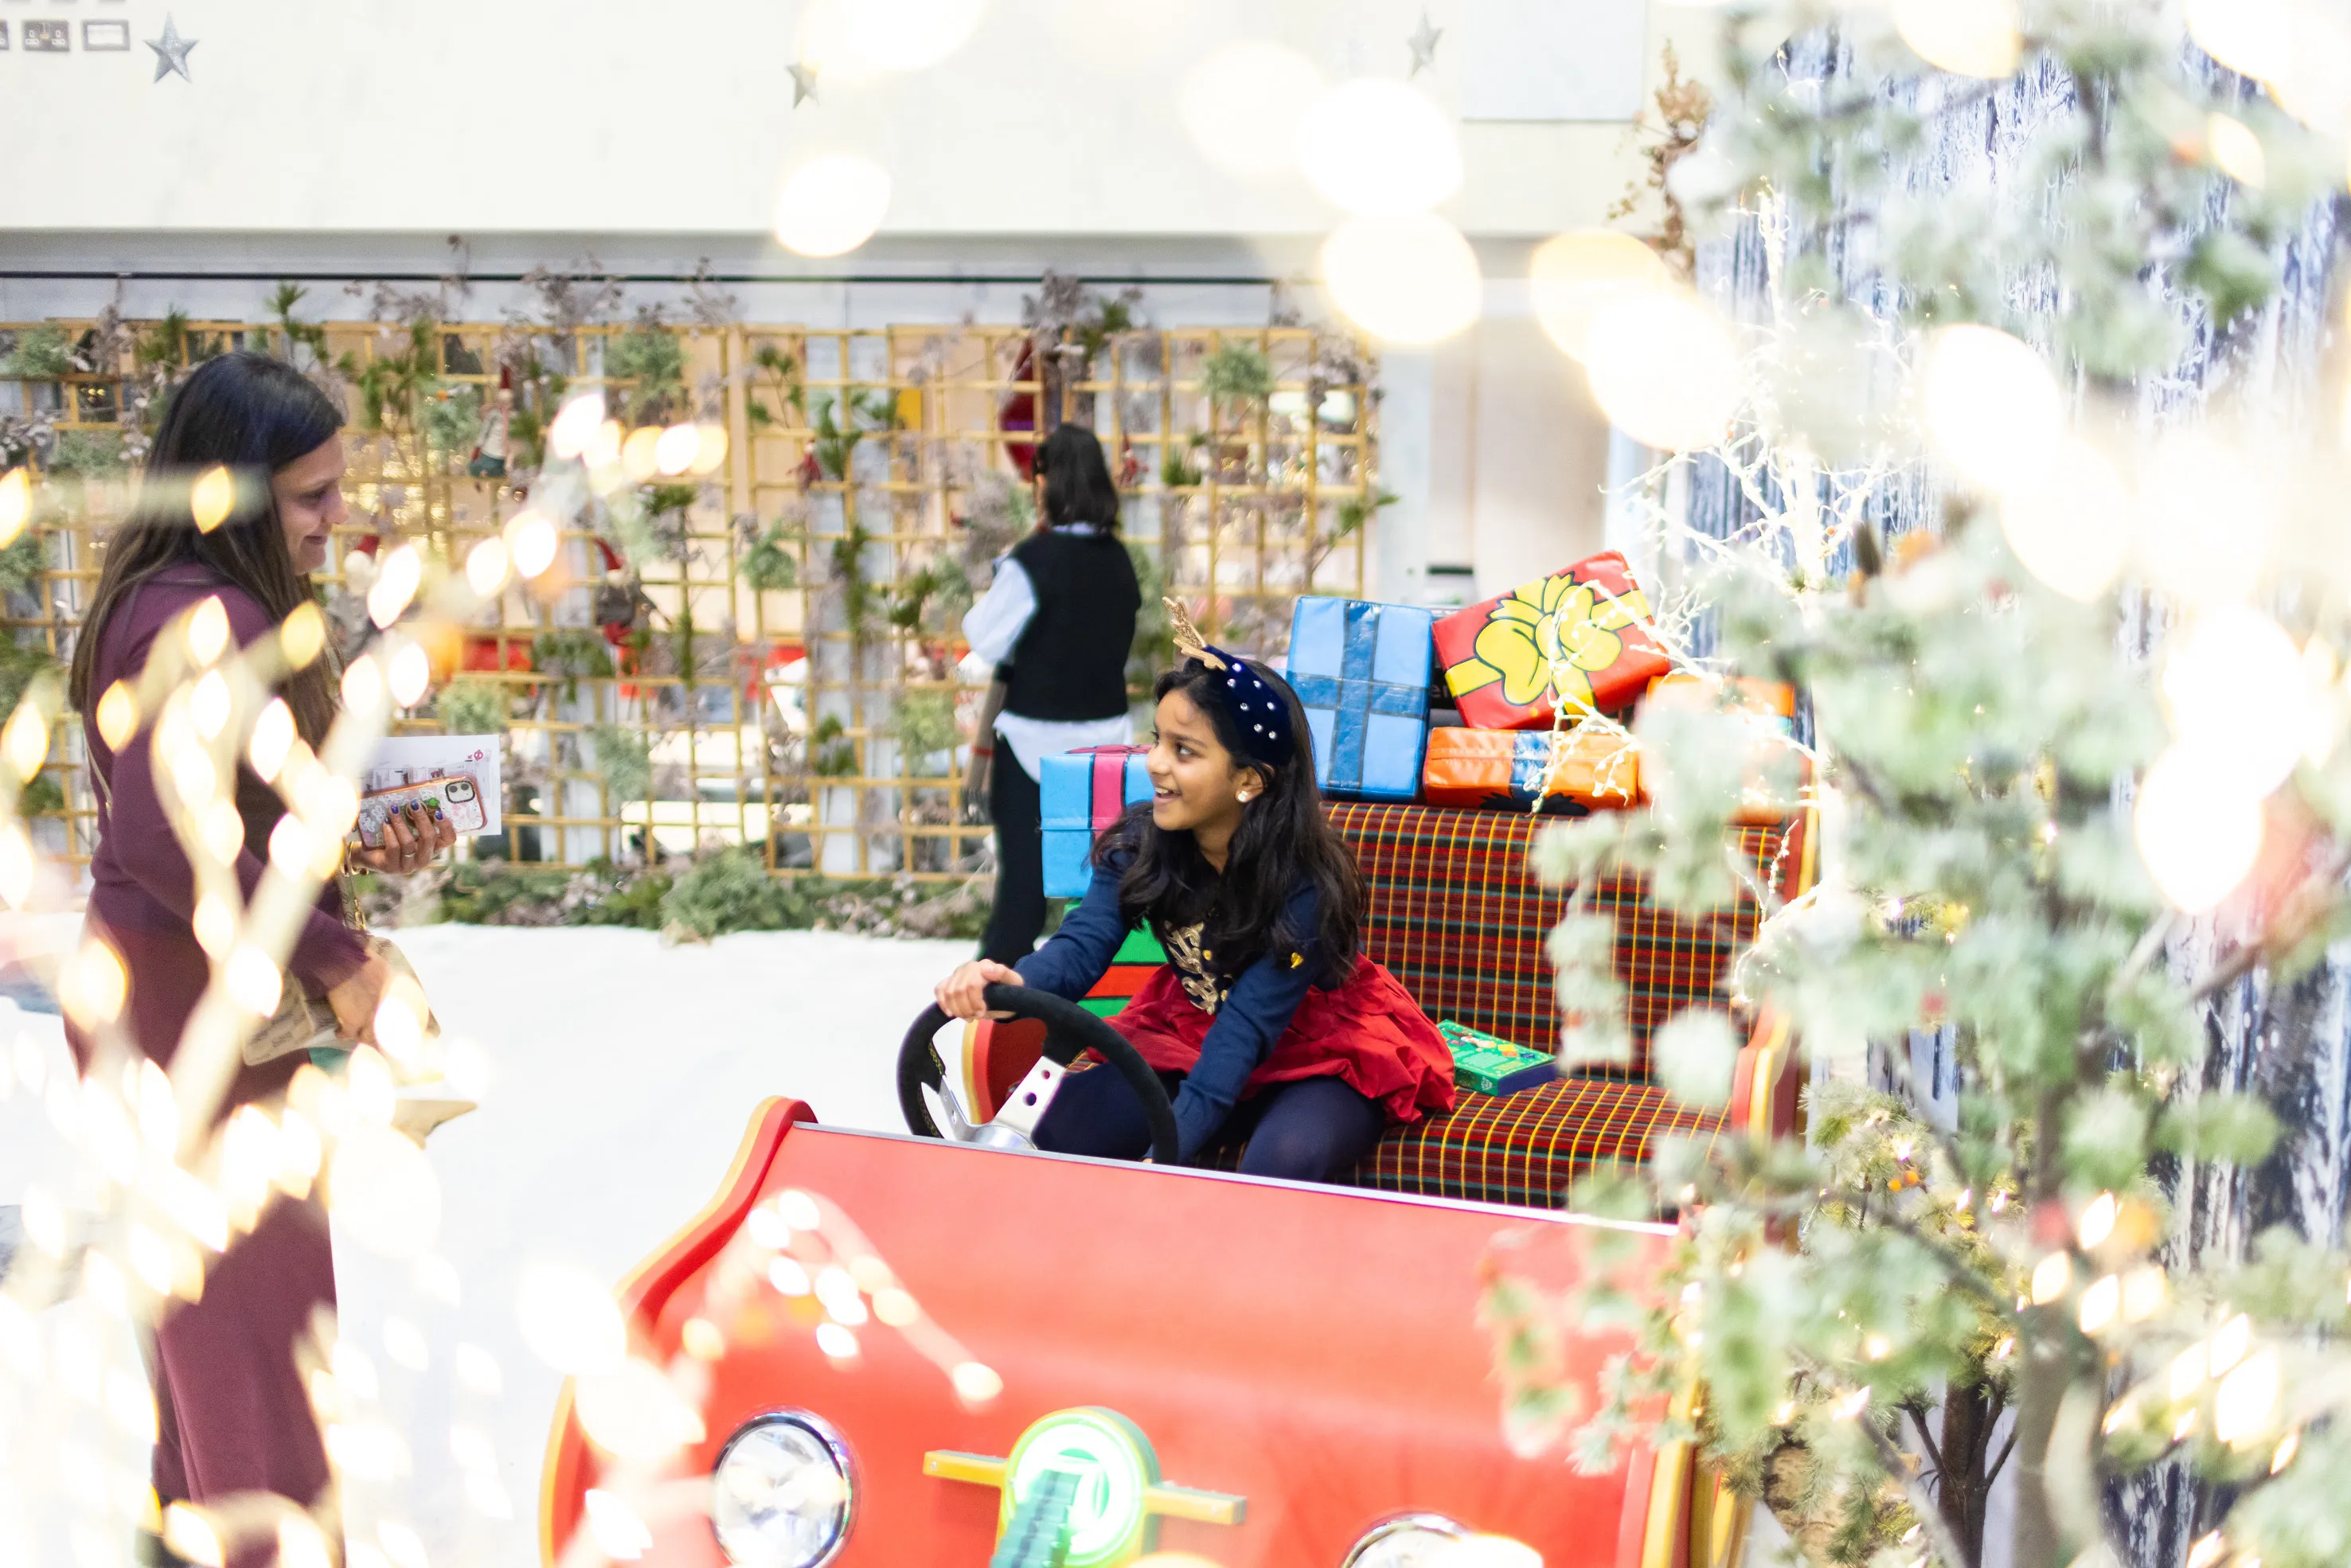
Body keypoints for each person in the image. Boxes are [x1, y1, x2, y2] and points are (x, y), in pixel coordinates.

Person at [64, 352, 454, 1562]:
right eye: (310, 497)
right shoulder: (210, 610)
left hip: (165, 1008)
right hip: (196, 1020)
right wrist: (337, 950)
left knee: (211, 1348)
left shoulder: (178, 596)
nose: (336, 518)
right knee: (254, 1348)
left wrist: (364, 827)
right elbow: (161, 834)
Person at [935, 603, 1455, 1183]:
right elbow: (1080, 948)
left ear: (1249, 780)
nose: (1154, 763)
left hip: (1316, 1047)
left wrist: (1170, 1157)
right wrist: (1013, 987)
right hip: (1190, 1028)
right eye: (1158, 740)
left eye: (1184, 751)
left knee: (1281, 1162)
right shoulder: (1140, 842)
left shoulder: (1303, 881)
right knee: (1057, 1129)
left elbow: (1247, 1031)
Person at [963, 423, 1140, 965]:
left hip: (1030, 743)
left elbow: (984, 638)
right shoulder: (1120, 560)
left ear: (1046, 482)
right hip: (1106, 746)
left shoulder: (1031, 563)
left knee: (1021, 895)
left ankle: (998, 1011)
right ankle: (1091, 1010)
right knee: (1103, 890)